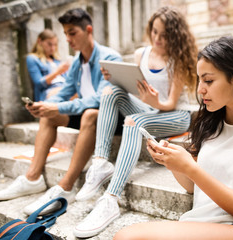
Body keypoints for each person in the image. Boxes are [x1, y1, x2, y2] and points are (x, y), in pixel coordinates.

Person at [113, 36, 233, 240]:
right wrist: (173, 162)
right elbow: (194, 186)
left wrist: (190, 167)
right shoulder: (212, 123)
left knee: (128, 237)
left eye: (208, 80)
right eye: (199, 80)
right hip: (206, 224)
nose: (200, 89)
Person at [72, 6, 198, 238]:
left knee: (133, 121)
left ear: (175, 35)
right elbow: (136, 86)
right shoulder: (141, 54)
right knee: (110, 91)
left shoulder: (177, 58)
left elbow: (170, 102)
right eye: (155, 32)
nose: (158, 39)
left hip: (175, 115)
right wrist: (117, 79)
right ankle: (100, 162)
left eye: (164, 35)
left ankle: (111, 198)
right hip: (148, 108)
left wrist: (153, 100)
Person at [0, 8, 122, 216]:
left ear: (88, 30)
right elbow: (65, 92)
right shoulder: (77, 61)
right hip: (86, 114)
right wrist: (43, 105)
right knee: (49, 114)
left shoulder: (110, 57)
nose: (68, 39)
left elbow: (99, 99)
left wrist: (58, 106)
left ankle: (66, 187)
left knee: (89, 113)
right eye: (66, 34)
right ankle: (33, 178)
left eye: (72, 33)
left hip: (111, 117)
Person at [26, 29, 71, 101]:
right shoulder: (32, 58)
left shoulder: (57, 60)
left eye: (55, 45)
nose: (53, 48)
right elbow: (39, 84)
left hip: (64, 88)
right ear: (39, 41)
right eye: (49, 44)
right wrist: (57, 72)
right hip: (49, 91)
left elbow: (68, 80)